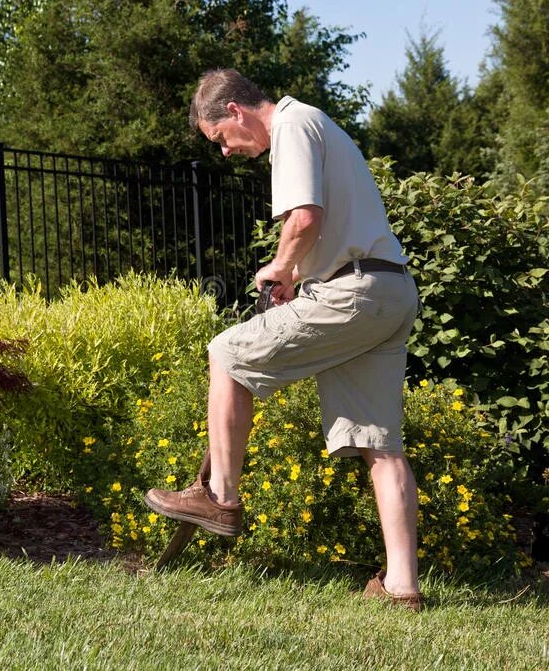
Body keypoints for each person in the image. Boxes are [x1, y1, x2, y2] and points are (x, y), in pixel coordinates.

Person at [144, 69, 424, 611]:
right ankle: (402, 586)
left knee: (226, 353)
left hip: (354, 290)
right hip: (389, 290)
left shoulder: (293, 124)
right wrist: (303, 278)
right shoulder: (320, 125)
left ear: (236, 112)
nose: (224, 151)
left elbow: (304, 217)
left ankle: (219, 499)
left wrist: (281, 268)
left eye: (220, 138)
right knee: (380, 444)